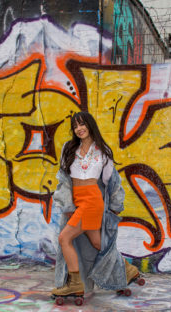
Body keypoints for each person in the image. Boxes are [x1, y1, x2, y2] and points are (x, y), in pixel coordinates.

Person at [51, 111, 140, 300]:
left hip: (92, 202)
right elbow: (63, 179)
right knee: (98, 243)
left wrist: (116, 206)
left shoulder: (103, 152)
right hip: (77, 201)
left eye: (82, 124)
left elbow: (112, 182)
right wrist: (67, 204)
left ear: (90, 125)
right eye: (75, 126)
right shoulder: (69, 148)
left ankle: (75, 285)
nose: (79, 129)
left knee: (64, 239)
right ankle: (127, 269)